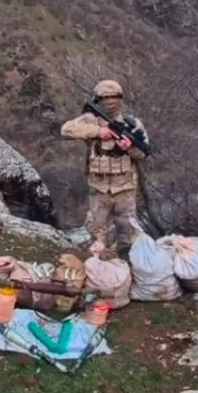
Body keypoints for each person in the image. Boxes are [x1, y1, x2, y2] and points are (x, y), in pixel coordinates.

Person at [60, 79, 150, 260]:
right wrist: (97, 132)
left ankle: (127, 264)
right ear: (98, 99)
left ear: (120, 98)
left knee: (128, 231)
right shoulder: (90, 119)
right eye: (106, 97)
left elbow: (144, 153)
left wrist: (129, 148)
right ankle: (101, 264)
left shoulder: (132, 124)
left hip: (125, 187)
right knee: (98, 232)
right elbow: (66, 130)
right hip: (99, 187)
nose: (110, 101)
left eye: (114, 97)